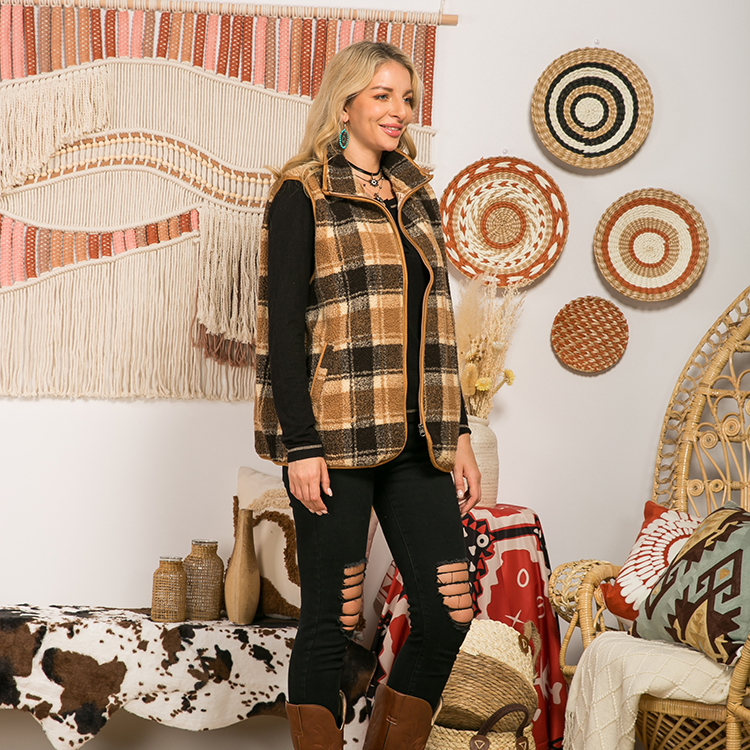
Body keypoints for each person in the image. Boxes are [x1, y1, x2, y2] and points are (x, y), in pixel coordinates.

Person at [254, 40, 481, 750]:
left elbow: (437, 323)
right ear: (345, 102)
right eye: (382, 95)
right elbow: (281, 330)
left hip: (420, 440)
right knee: (333, 621)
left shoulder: (416, 194)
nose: (398, 111)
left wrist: (459, 430)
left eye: (406, 98)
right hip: (335, 440)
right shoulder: (304, 193)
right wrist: (300, 445)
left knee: (448, 615)